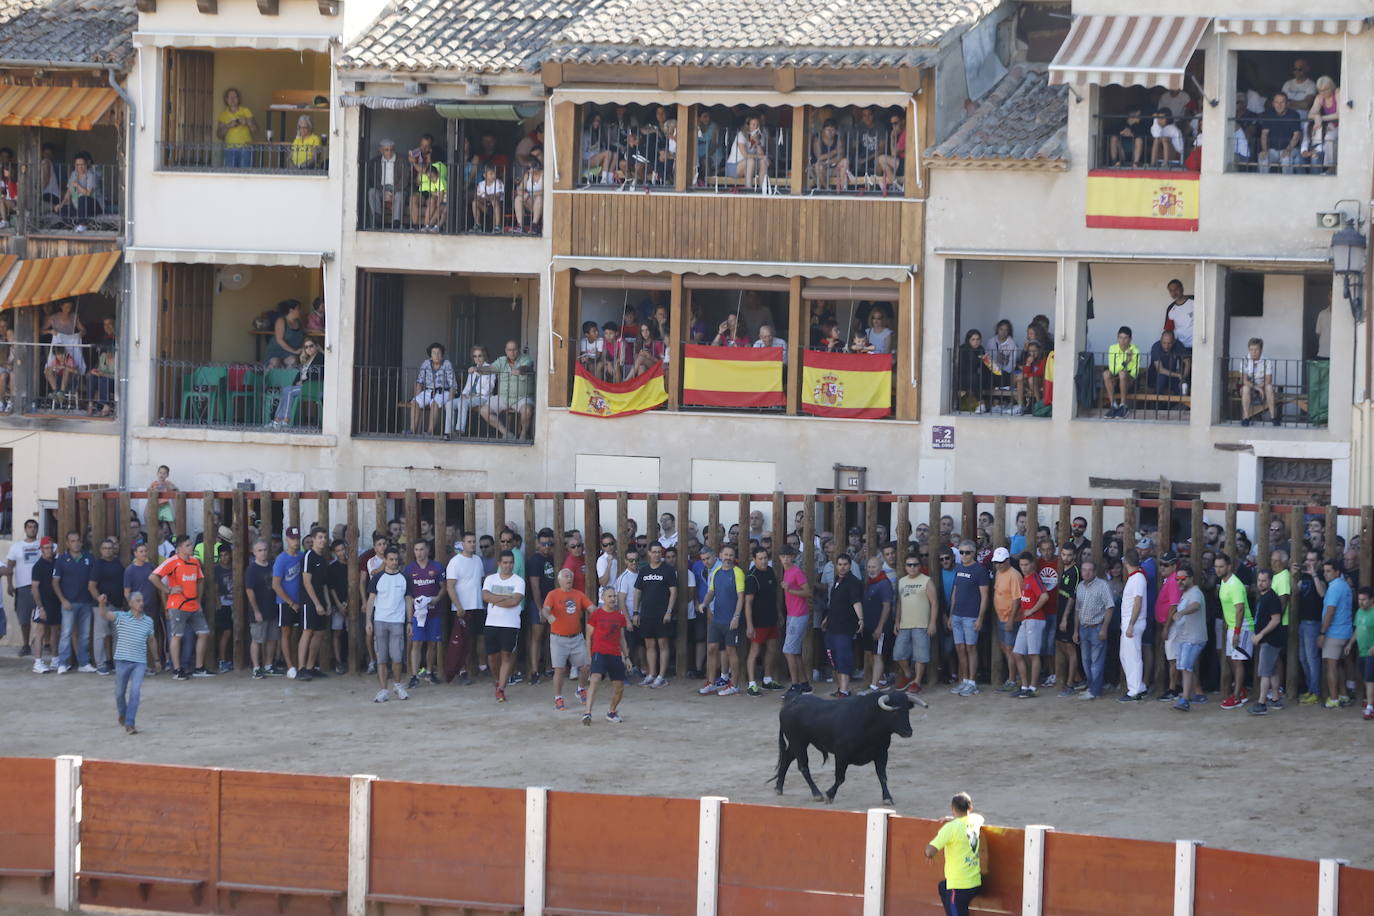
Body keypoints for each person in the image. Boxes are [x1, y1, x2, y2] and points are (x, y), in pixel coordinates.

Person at [152, 535, 212, 680]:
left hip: (193, 604)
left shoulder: (195, 562)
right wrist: (168, 590)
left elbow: (200, 580)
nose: (191, 547)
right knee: (177, 636)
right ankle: (177, 670)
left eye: (191, 544)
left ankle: (199, 667)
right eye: (188, 545)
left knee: (203, 633)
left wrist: (198, 600)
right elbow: (153, 577)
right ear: (179, 548)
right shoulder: (172, 561)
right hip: (177, 605)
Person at [101, 591, 156, 735]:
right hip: (122, 660)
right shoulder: (121, 616)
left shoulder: (148, 621)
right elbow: (105, 615)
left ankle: (130, 723)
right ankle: (123, 714)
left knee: (135, 692)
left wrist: (156, 659)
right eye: (138, 601)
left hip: (139, 662)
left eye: (142, 600)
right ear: (130, 603)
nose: (141, 603)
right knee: (119, 693)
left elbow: (151, 640)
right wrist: (102, 604)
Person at [924, 792, 984, 916]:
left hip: (959, 887)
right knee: (942, 887)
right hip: (975, 882)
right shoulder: (976, 819)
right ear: (970, 808)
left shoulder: (950, 828)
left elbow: (930, 850)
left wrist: (928, 855)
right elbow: (975, 817)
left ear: (952, 809)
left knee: (949, 893)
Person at [543, 567, 593, 711]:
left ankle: (581, 688)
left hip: (576, 637)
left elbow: (591, 608)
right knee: (559, 669)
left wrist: (600, 614)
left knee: (585, 666)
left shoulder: (578, 594)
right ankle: (558, 697)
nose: (569, 579)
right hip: (558, 638)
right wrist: (548, 615)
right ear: (559, 580)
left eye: (570, 576)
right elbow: (545, 609)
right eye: (566, 576)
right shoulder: (553, 594)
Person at [364, 547, 409, 703]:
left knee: (397, 657)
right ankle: (383, 689)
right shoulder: (377, 578)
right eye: (391, 559)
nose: (394, 562)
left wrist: (409, 621)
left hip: (397, 621)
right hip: (380, 620)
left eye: (396, 559)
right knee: (381, 657)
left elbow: (408, 600)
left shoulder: (404, 578)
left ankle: (397, 685)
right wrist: (368, 621)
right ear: (386, 560)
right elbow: (371, 600)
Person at [699, 544, 744, 696]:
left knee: (731, 651)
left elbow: (741, 597)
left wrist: (736, 616)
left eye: (731, 555)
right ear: (720, 555)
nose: (728, 558)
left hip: (730, 620)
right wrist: (704, 603)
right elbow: (711, 592)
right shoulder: (716, 572)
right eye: (726, 555)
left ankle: (734, 684)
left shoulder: (738, 572)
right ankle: (711, 683)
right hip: (716, 619)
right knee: (711, 649)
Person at [482, 549, 525, 702]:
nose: (508, 566)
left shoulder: (519, 581)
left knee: (506, 655)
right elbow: (485, 596)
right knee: (492, 657)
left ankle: (501, 688)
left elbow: (515, 601)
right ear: (499, 564)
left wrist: (495, 599)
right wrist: (504, 598)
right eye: (505, 563)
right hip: (492, 623)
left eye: (511, 563)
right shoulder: (491, 579)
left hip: (511, 624)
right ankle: (497, 680)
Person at [583, 586, 630, 724]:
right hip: (599, 652)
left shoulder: (619, 616)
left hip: (615, 654)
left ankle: (612, 711)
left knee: (619, 687)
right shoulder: (596, 615)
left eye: (614, 596)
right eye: (609, 596)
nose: (613, 599)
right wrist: (589, 654)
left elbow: (622, 638)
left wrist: (626, 657)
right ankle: (587, 713)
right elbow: (589, 636)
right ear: (603, 598)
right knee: (595, 679)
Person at [948, 540, 990, 696]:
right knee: (960, 648)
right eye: (961, 552)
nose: (964, 555)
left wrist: (980, 618)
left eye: (967, 552)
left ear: (974, 553)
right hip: (957, 615)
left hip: (971, 616)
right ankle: (964, 680)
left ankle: (972, 682)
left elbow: (984, 596)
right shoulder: (958, 568)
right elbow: (955, 592)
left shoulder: (980, 570)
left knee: (971, 648)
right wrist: (951, 614)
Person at [634, 542, 677, 689]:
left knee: (663, 645)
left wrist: (669, 611)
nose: (657, 554)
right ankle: (651, 674)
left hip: (662, 614)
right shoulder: (644, 570)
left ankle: (661, 676)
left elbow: (673, 592)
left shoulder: (668, 570)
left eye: (659, 552)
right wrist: (635, 612)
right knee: (649, 645)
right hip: (646, 613)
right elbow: (638, 592)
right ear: (649, 553)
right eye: (654, 552)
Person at [52, 531, 95, 674]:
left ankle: (84, 663)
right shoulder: (61, 559)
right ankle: (62, 663)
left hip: (86, 602)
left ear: (81, 542)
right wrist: (62, 600)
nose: (76, 543)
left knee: (85, 635)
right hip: (68, 603)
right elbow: (55, 582)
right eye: (72, 541)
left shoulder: (89, 558)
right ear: (67, 543)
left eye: (77, 540)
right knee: (66, 633)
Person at [1215, 553, 1255, 710]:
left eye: (1221, 567)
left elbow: (1240, 609)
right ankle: (1241, 691)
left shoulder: (1235, 585)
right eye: (1216, 566)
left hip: (1242, 626)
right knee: (1232, 659)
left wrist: (1237, 632)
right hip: (1233, 626)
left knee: (1238, 661)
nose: (1218, 570)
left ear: (1229, 567)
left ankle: (1237, 696)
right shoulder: (1224, 582)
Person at [403, 539, 444, 688]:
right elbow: (407, 595)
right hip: (417, 614)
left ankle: (429, 672)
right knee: (416, 643)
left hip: (434, 612)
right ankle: (414, 675)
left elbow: (443, 586)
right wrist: (409, 618)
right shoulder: (409, 569)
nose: (419, 553)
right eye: (416, 550)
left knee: (432, 643)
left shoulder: (437, 567)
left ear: (427, 550)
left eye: (421, 549)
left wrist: (438, 598)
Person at [894, 553, 936, 692]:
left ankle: (917, 682)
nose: (912, 567)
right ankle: (908, 674)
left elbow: (934, 603)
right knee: (899, 653)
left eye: (915, 564)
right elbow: (899, 603)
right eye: (909, 565)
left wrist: (932, 623)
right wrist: (897, 621)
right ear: (905, 567)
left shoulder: (927, 581)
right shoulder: (901, 581)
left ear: (920, 566)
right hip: (905, 624)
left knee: (920, 655)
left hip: (922, 624)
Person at [742, 546, 782, 696]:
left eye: (766, 558)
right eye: (761, 558)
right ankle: (752, 684)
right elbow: (748, 603)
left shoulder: (771, 571)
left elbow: (775, 595)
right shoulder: (752, 577)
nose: (764, 561)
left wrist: (778, 613)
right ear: (754, 559)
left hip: (771, 618)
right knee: (755, 651)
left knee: (772, 648)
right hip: (758, 621)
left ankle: (767, 679)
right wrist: (750, 624)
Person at [1074, 559, 1114, 700]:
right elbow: (1077, 609)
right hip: (1084, 628)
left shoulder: (1102, 585)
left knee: (1096, 661)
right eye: (1084, 570)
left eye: (1090, 570)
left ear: (1095, 572)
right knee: (1086, 661)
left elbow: (1110, 607)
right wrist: (1075, 630)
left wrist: (1104, 628)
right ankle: (1092, 687)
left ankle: (1095, 691)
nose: (1087, 572)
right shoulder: (1080, 586)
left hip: (1097, 627)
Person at [1318, 558, 1353, 710]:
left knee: (1330, 666)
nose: (1325, 574)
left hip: (1334, 632)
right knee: (1339, 665)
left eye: (1329, 571)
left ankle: (1333, 698)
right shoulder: (1345, 586)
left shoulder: (1334, 588)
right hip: (1345, 631)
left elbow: (1330, 612)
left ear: (1337, 572)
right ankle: (1343, 695)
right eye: (1324, 571)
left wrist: (1322, 633)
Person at [1248, 569, 1285, 716]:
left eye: (1264, 580)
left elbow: (1276, 619)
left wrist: (1260, 635)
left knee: (1264, 672)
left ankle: (1261, 703)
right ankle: (1275, 699)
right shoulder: (1264, 597)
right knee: (1273, 671)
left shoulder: (1271, 597)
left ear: (1270, 581)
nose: (1260, 583)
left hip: (1270, 640)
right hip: (1270, 639)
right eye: (1259, 580)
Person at [482, 340, 534, 439]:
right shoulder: (501, 361)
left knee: (527, 410)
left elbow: (527, 368)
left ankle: (522, 435)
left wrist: (519, 370)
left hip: (522, 398)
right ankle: (506, 433)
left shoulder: (526, 359)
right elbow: (490, 368)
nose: (512, 352)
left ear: (518, 350)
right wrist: (478, 369)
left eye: (514, 350)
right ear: (506, 351)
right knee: (484, 410)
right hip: (503, 397)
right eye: (509, 350)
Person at [273, 526, 306, 680]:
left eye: (297, 538)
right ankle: (290, 666)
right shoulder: (281, 559)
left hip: (301, 602)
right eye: (293, 539)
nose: (296, 541)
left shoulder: (302, 556)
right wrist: (290, 602)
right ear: (287, 539)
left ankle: (300, 663)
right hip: (285, 603)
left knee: (299, 634)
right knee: (286, 633)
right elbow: (276, 585)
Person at [88, 537, 124, 676]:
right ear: (100, 550)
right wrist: (99, 600)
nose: (108, 551)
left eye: (110, 548)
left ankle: (116, 663)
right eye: (105, 548)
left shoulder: (117, 563)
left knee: (117, 636)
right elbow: (91, 586)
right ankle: (101, 664)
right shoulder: (98, 565)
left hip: (118, 606)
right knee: (100, 635)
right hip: (102, 607)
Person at [244, 538, 278, 678]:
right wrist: (256, 611)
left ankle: (268, 665)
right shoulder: (251, 569)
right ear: (254, 552)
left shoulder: (272, 565)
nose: (263, 553)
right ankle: (256, 667)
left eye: (265, 550)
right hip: (258, 610)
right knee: (257, 639)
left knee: (272, 638)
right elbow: (249, 591)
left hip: (272, 607)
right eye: (260, 550)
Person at [270, 339, 323, 428]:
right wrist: (295, 383)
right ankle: (277, 420)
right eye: (306, 347)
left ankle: (286, 420)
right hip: (304, 386)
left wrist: (303, 381)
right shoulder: (307, 360)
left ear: (316, 346)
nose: (309, 349)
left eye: (311, 346)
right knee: (285, 390)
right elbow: (300, 374)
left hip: (312, 387)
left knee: (288, 391)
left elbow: (319, 374)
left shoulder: (320, 358)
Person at [7, 517, 40, 663]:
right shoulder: (16, 546)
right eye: (29, 527)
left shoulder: (42, 545)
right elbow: (9, 567)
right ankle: (26, 644)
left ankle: (42, 643)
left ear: (37, 529)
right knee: (24, 618)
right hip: (23, 586)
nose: (32, 529)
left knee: (43, 617)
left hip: (40, 587)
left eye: (34, 527)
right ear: (25, 529)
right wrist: (9, 584)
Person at [410, 342, 455, 436]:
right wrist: (416, 397)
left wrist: (451, 401)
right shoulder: (426, 364)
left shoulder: (447, 364)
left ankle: (430, 432)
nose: (436, 355)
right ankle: (412, 431)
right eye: (434, 353)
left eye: (439, 353)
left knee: (434, 403)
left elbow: (452, 385)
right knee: (414, 403)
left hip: (443, 392)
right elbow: (420, 382)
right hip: (428, 391)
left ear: (442, 355)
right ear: (430, 355)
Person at [29, 537, 60, 672]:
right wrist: (40, 607)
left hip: (55, 602)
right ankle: (37, 662)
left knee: (54, 632)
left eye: (51, 547)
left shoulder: (57, 563)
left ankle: (54, 659)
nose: (49, 550)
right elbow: (35, 588)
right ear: (41, 549)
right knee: (40, 632)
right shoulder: (38, 566)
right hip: (43, 603)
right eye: (46, 548)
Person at [365, 138, 408, 228]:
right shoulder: (375, 162)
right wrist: (384, 192)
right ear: (380, 150)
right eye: (386, 150)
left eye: (391, 150)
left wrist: (393, 191)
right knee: (372, 192)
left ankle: (396, 223)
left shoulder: (401, 160)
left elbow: (405, 179)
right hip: (381, 188)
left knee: (400, 195)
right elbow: (373, 179)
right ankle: (377, 221)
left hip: (396, 189)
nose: (389, 152)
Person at [1259, 92, 1302, 174]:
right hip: (1273, 151)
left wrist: (1288, 149)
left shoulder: (1294, 115)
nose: (1279, 105)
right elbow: (1264, 134)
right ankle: (1263, 184)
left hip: (1291, 149)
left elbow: (1297, 135)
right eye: (1276, 102)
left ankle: (1287, 185)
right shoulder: (1268, 114)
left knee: (1286, 160)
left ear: (1287, 103)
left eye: (1282, 102)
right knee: (1263, 158)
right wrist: (1264, 150)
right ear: (1273, 104)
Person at [1102, 326, 1140, 418]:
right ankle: (1113, 405)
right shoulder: (1112, 348)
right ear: (1117, 338)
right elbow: (1112, 369)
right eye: (1120, 338)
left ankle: (1123, 406)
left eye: (1125, 338)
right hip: (1116, 379)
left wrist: (1121, 375)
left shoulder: (1135, 350)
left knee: (1123, 374)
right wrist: (1126, 361)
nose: (1122, 341)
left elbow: (1135, 372)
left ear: (1130, 339)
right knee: (1106, 374)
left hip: (1130, 381)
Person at [1239, 337, 1278, 427]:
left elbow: (1268, 380)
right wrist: (1256, 388)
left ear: (1261, 350)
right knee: (1245, 389)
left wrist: (1260, 387)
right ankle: (1246, 417)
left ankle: (1273, 417)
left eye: (1256, 349)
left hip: (1263, 386)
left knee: (1269, 387)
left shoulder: (1266, 361)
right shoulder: (1245, 360)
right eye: (1251, 349)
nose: (1254, 352)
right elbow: (1244, 380)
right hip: (1250, 387)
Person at [54, 153, 102, 226]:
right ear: (75, 165)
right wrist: (61, 204)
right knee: (59, 209)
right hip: (78, 208)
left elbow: (89, 193)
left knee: (82, 199)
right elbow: (68, 192)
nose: (80, 167)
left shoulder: (90, 175)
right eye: (77, 165)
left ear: (86, 165)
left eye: (82, 164)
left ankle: (82, 225)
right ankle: (73, 225)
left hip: (93, 207)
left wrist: (77, 186)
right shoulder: (74, 174)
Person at [216, 88, 258, 169]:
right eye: (230, 97)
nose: (232, 99)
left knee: (244, 175)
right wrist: (228, 126)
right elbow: (219, 135)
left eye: (235, 96)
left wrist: (247, 122)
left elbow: (255, 129)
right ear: (226, 99)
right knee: (230, 176)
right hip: (229, 149)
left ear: (238, 99)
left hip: (245, 149)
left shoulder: (246, 111)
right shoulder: (223, 114)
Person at [727, 114, 769, 190]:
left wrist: (757, 142)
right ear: (748, 126)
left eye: (757, 125)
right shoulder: (741, 135)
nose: (755, 127)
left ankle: (762, 188)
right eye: (753, 125)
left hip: (749, 166)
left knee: (763, 161)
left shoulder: (759, 137)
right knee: (750, 160)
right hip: (734, 166)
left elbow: (762, 154)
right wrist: (761, 157)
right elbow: (745, 155)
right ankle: (748, 188)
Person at [1308, 76, 1339, 172]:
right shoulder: (1320, 97)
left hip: (1342, 125)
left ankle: (1331, 168)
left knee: (1329, 138)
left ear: (1331, 87)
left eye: (1326, 90)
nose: (1323, 93)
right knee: (1325, 140)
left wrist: (1320, 118)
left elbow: (1339, 115)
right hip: (1331, 125)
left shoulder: (1337, 92)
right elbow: (1310, 115)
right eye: (1320, 90)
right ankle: (1330, 167)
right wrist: (1316, 117)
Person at [264, 299, 305, 368]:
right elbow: (279, 340)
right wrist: (294, 351)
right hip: (277, 351)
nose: (300, 311)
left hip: (291, 353)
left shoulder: (299, 322)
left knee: (293, 360)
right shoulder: (281, 321)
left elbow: (303, 334)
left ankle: (287, 378)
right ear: (291, 310)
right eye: (298, 309)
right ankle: (268, 378)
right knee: (275, 361)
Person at [810, 119, 848, 191]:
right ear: (823, 130)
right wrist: (834, 152)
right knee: (818, 166)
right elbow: (819, 158)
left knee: (845, 161)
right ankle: (827, 189)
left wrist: (828, 162)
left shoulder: (838, 139)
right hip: (821, 167)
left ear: (836, 131)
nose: (830, 132)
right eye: (828, 130)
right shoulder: (817, 138)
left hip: (834, 167)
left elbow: (840, 157)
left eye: (833, 130)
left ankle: (843, 189)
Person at [1149, 329, 1190, 397]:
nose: (1166, 346)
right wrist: (1178, 375)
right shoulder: (1156, 347)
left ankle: (1170, 407)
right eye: (1164, 343)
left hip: (1172, 376)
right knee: (1162, 377)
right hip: (1156, 377)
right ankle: (1156, 405)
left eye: (1169, 343)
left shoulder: (1178, 345)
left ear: (1174, 341)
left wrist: (1183, 378)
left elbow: (1187, 362)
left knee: (1183, 391)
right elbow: (1160, 369)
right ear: (1160, 340)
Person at [1354, 587, 1374, 720]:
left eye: (1364, 600)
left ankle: (1370, 708)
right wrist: (1350, 644)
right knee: (1367, 680)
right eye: (1359, 599)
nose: (1361, 602)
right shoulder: (1359, 612)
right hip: (1362, 651)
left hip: (1371, 652)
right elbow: (1357, 630)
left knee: (1369, 679)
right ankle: (1371, 703)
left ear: (1371, 600)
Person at [514, 151, 543, 232]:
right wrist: (525, 194)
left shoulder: (544, 174)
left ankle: (534, 226)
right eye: (527, 168)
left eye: (529, 168)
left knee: (539, 198)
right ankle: (520, 226)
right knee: (518, 199)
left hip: (543, 205)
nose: (527, 170)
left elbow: (545, 191)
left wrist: (530, 194)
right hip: (531, 204)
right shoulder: (528, 175)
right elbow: (519, 189)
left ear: (536, 166)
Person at [1163, 279, 1195, 350]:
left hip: (1196, 345)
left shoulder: (1194, 301)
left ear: (1182, 289)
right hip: (1179, 347)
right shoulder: (1170, 308)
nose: (1174, 293)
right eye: (1171, 291)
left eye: (1176, 289)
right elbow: (1169, 330)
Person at [471, 164, 504, 231]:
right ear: (484, 175)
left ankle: (497, 226)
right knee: (475, 202)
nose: (494, 176)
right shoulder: (481, 184)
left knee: (494, 201)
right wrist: (488, 197)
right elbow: (477, 197)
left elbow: (497, 196)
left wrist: (486, 196)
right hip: (486, 207)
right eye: (491, 174)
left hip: (497, 207)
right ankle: (477, 225)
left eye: (494, 174)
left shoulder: (498, 182)